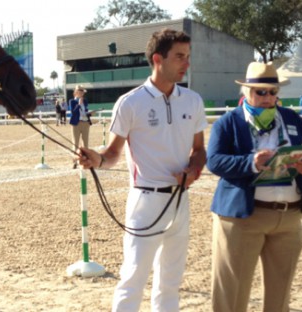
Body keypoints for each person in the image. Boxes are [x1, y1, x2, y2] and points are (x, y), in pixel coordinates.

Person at [76, 28, 207, 311]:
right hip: (145, 202)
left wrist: (193, 170)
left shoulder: (193, 100)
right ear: (158, 59)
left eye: (188, 56)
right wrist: (94, 159)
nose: (186, 63)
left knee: (171, 282)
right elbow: (111, 154)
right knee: (133, 278)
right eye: (180, 57)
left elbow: (199, 150)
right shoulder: (130, 102)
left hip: (180, 201)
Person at [207, 61, 302, 312]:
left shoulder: (292, 119)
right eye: (261, 92)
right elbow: (214, 161)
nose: (268, 98)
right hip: (242, 218)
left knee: (280, 297)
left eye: (273, 92)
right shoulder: (228, 122)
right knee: (231, 295)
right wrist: (251, 163)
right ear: (245, 93)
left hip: (288, 218)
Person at [69, 85, 91, 151]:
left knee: (85, 143)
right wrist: (79, 104)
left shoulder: (85, 101)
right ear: (75, 92)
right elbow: (73, 112)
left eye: (83, 91)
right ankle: (75, 160)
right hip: (76, 124)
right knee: (75, 143)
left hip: (85, 123)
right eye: (80, 91)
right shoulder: (72, 101)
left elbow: (85, 111)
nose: (82, 93)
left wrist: (89, 114)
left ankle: (85, 159)